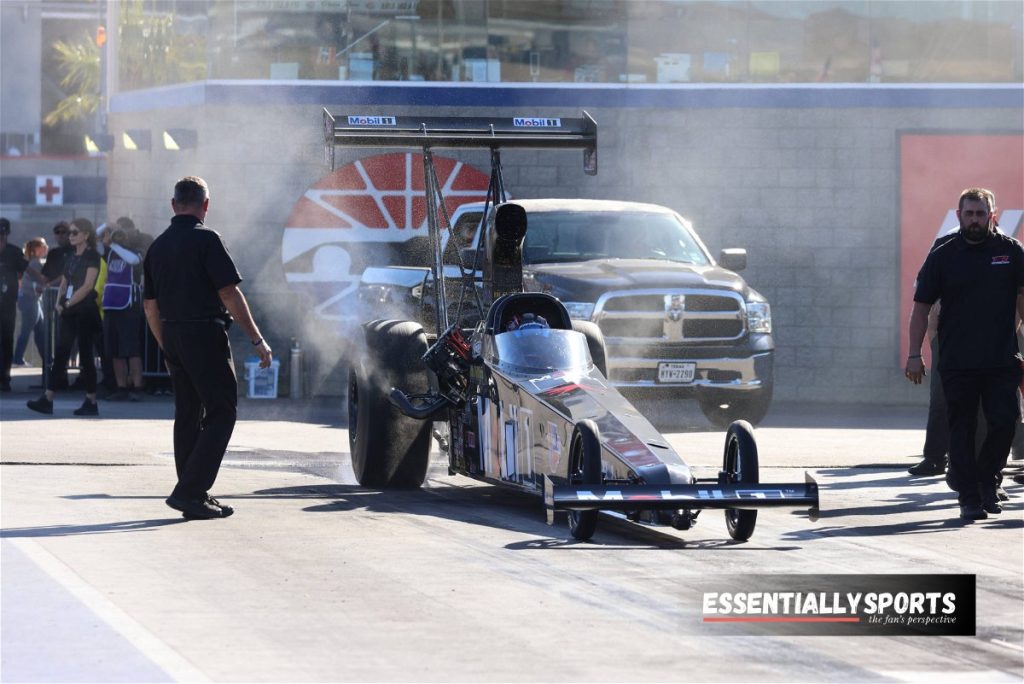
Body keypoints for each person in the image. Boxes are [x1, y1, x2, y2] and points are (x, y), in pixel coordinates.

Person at [143, 176, 272, 521]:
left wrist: (166, 345)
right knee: (221, 412)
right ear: (206, 205)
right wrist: (257, 339)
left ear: (173, 205)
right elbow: (228, 293)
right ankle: (189, 491)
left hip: (172, 335)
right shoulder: (207, 239)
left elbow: (150, 307)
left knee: (187, 414)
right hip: (204, 335)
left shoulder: (157, 246)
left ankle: (193, 492)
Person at [905, 187, 1024, 521]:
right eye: (969, 214)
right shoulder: (943, 255)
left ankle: (988, 481)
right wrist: (915, 353)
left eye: (981, 214)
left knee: (1004, 423)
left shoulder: (1011, 252)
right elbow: (921, 308)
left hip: (1002, 358)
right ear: (959, 217)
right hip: (958, 361)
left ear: (992, 215)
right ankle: (970, 497)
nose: (975, 220)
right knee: (962, 428)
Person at [27, 218, 103, 415]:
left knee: (86, 356)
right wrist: (60, 304)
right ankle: (47, 399)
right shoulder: (71, 256)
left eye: (75, 232)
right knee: (61, 353)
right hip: (69, 310)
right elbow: (64, 282)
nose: (70, 236)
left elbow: (87, 286)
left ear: (86, 235)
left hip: (85, 310)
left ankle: (91, 401)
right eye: (69, 233)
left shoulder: (92, 256)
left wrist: (68, 303)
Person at [100, 225, 144, 401]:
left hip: (129, 305)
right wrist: (106, 226)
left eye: (122, 234)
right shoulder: (108, 252)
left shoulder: (136, 251)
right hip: (111, 303)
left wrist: (113, 244)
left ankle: (137, 387)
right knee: (114, 349)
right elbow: (93, 239)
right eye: (116, 235)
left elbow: (132, 261)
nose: (119, 238)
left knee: (131, 349)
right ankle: (121, 387)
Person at [12, 237, 49, 367]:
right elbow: (40, 281)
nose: (46, 248)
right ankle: (17, 359)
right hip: (29, 299)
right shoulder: (35, 264)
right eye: (43, 246)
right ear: (36, 249)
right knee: (27, 330)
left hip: (31, 299)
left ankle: (48, 358)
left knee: (40, 331)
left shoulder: (33, 262)